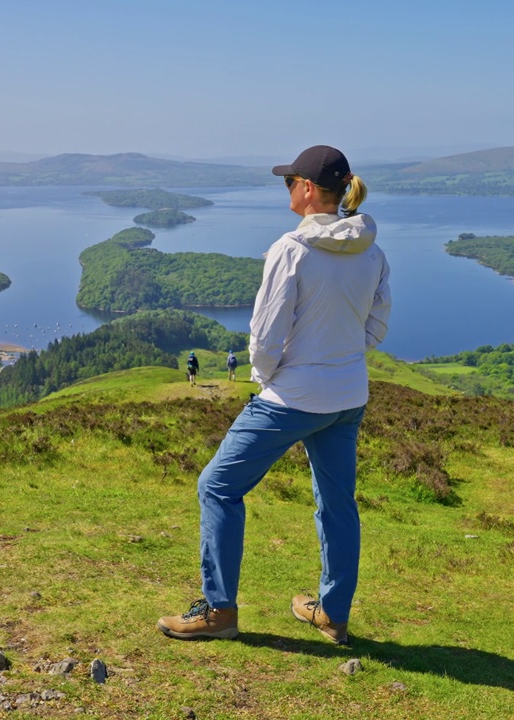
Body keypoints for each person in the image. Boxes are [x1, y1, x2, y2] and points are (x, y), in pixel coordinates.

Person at [157, 145, 390, 644]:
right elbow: (376, 326)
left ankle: (219, 613)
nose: (287, 189)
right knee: (337, 504)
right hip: (348, 397)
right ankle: (332, 613)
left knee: (217, 487)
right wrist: (341, 357)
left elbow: (264, 338)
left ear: (307, 189)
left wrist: (270, 380)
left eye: (290, 182)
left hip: (292, 398)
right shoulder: (372, 250)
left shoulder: (292, 249)